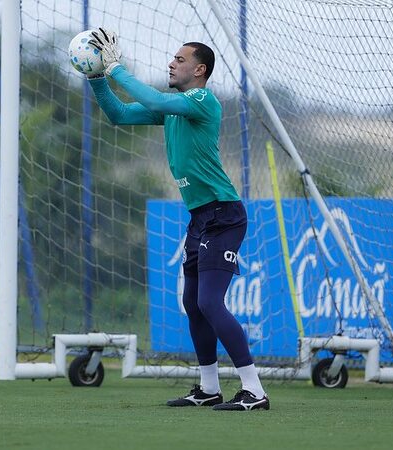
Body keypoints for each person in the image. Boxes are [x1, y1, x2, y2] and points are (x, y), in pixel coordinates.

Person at [87, 28, 269, 411]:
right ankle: (208, 388)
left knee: (210, 302)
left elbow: (151, 96)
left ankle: (255, 391)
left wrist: (115, 66)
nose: (171, 62)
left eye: (180, 59)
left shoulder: (202, 100)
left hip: (224, 213)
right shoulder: (172, 109)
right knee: (192, 301)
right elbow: (119, 115)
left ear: (200, 70)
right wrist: (96, 77)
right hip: (201, 216)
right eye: (172, 58)